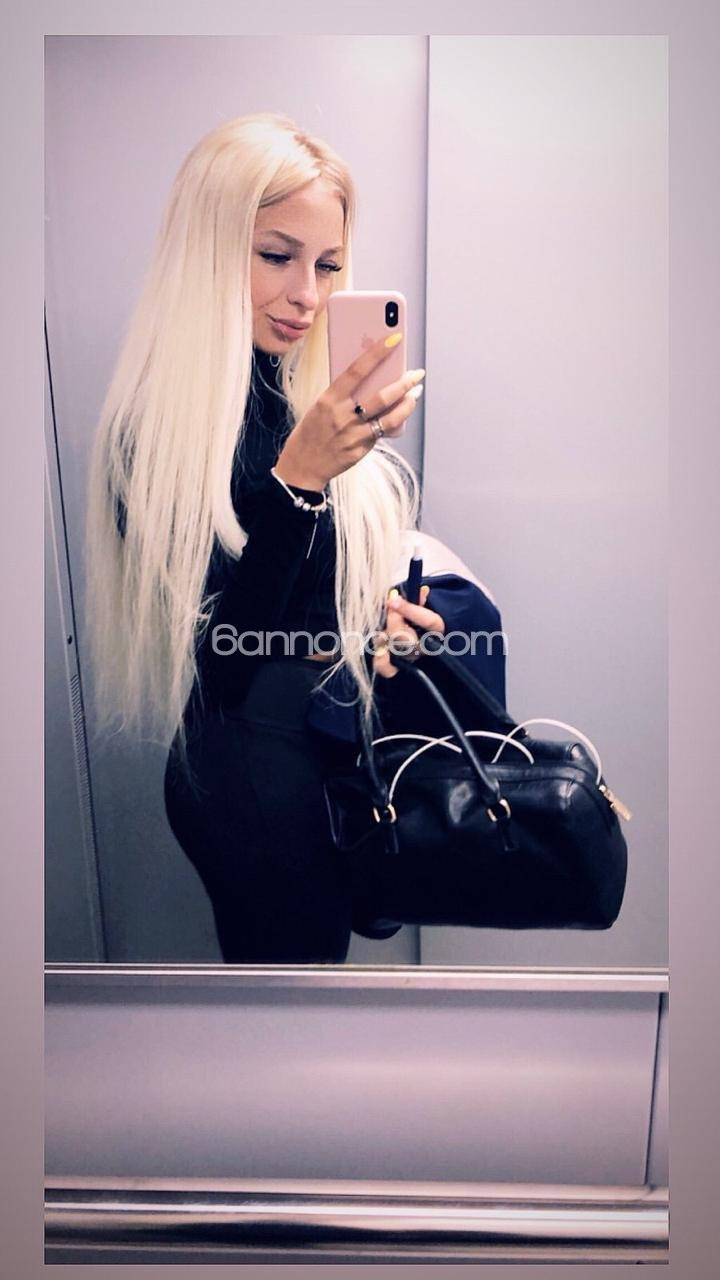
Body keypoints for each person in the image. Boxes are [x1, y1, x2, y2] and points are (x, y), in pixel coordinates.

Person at [84, 112, 446, 963]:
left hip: (327, 758)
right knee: (292, 1013)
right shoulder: (155, 433)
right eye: (277, 256)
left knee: (308, 1004)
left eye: (327, 265)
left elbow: (306, 604)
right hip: (249, 776)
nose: (308, 295)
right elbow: (225, 660)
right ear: (208, 251)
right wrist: (300, 480)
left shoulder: (301, 401)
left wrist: (383, 626)